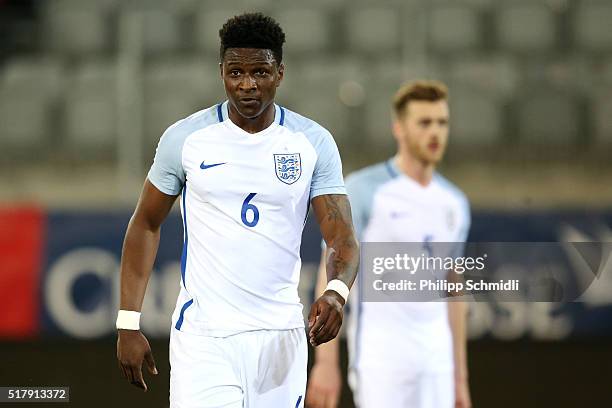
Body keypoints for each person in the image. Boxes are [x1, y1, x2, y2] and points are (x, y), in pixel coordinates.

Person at [115, 13, 359, 408]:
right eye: (236, 72)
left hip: (280, 337)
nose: (247, 85)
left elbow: (342, 236)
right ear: (221, 73)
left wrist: (336, 292)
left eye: (260, 72)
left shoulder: (312, 142)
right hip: (204, 339)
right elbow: (145, 223)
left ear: (280, 73)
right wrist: (128, 321)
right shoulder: (185, 139)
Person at [306, 81, 472, 408]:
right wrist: (325, 363)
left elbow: (454, 290)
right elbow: (331, 274)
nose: (435, 132)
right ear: (399, 128)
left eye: (442, 122)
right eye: (424, 123)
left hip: (437, 362)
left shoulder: (455, 203)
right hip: (381, 360)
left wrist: (459, 377)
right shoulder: (364, 190)